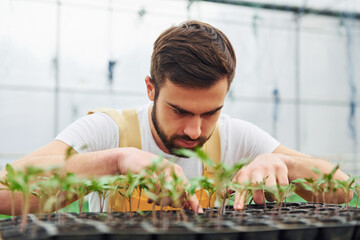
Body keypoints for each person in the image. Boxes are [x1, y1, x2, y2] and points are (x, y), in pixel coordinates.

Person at [0, 20, 351, 215]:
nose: (195, 130)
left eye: (211, 112)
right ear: (151, 89)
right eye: (179, 111)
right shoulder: (108, 130)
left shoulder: (237, 137)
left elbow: (342, 191)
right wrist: (115, 161)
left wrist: (285, 165)